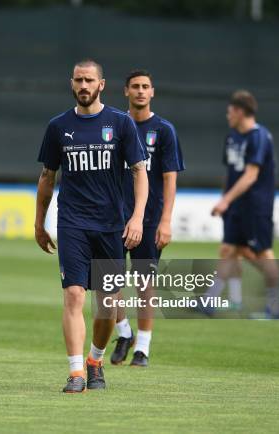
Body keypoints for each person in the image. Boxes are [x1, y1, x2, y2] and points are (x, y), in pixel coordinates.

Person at [35, 59, 148, 393]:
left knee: (108, 304)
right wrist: (39, 224)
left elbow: (139, 171)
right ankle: (75, 373)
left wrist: (137, 216)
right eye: (78, 80)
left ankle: (95, 361)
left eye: (89, 80)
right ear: (71, 83)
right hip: (72, 224)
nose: (83, 86)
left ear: (102, 85)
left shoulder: (120, 123)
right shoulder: (58, 126)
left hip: (111, 227)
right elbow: (47, 177)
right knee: (72, 295)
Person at [110, 69, 185, 367]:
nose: (141, 91)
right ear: (125, 91)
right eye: (135, 87)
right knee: (107, 281)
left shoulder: (164, 130)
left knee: (144, 283)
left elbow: (170, 179)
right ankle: (123, 331)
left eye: (146, 87)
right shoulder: (114, 126)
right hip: (114, 216)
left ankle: (142, 347)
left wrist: (166, 220)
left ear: (153, 92)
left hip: (151, 217)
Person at [207, 90, 279, 319]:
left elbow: (250, 176)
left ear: (239, 112)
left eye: (230, 112)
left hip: (256, 206)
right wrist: (226, 200)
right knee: (228, 249)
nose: (228, 116)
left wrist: (224, 200)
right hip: (235, 206)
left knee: (261, 254)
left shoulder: (259, 137)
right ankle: (210, 301)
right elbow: (231, 173)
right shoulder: (232, 136)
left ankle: (275, 306)